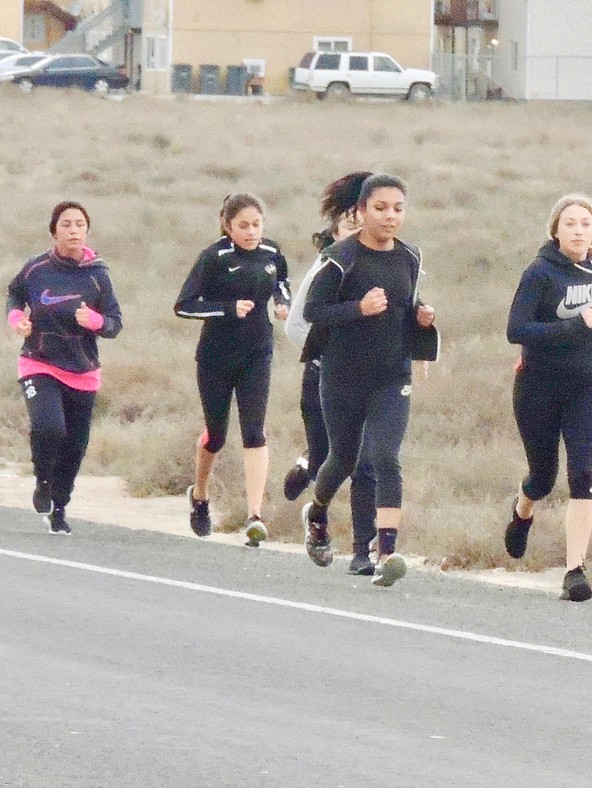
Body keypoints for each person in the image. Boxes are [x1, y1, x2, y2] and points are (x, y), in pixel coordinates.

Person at [300, 174, 439, 588]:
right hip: (342, 376)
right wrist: (358, 308)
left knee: (385, 458)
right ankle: (318, 514)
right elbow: (313, 312)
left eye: (398, 209)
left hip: (391, 376)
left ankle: (387, 551)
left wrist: (423, 318)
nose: (390, 217)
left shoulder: (410, 256)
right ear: (360, 212)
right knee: (341, 461)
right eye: (380, 208)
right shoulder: (341, 258)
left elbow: (407, 304)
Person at [503, 194, 592, 602]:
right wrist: (574, 327)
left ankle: (574, 570)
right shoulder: (539, 273)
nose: (578, 230)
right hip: (537, 384)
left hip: (584, 385)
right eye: (570, 223)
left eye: (585, 224)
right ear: (555, 230)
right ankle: (522, 510)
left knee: (583, 474)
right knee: (543, 477)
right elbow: (516, 330)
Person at [174, 193, 290, 546]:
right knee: (216, 435)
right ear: (228, 226)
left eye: (257, 224)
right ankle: (200, 495)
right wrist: (227, 308)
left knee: (254, 432)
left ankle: (254, 516)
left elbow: (281, 283)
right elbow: (184, 305)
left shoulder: (272, 253)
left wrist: (282, 303)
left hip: (257, 354)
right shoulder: (214, 258)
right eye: (243, 225)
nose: (252, 231)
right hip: (215, 358)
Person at [284, 170, 383, 575]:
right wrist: (333, 348)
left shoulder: (391, 261)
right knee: (333, 458)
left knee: (368, 463)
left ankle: (363, 551)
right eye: (349, 226)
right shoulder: (326, 268)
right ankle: (314, 492)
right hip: (324, 376)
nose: (358, 232)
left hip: (373, 381)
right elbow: (295, 326)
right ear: (336, 229)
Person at [6, 201, 123, 535]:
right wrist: (18, 319)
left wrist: (96, 321)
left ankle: (59, 506)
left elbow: (115, 323)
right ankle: (42, 480)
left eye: (80, 225)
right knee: (49, 428)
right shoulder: (36, 268)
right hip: (39, 362)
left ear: (87, 231)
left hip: (83, 371)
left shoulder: (98, 275)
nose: (73, 231)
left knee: (74, 447)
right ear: (54, 231)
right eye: (66, 225)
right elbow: (14, 295)